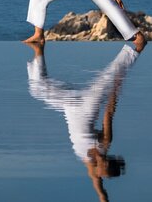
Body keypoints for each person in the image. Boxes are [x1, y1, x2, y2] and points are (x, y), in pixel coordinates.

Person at [25, 42, 139, 202]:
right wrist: (114, 92)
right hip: (87, 106)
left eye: (100, 176)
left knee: (37, 88)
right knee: (110, 75)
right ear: (105, 165)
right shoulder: (105, 143)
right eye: (102, 173)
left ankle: (39, 49)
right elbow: (109, 113)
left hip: (67, 105)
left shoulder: (91, 166)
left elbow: (100, 191)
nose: (99, 176)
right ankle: (137, 48)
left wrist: (103, 197)